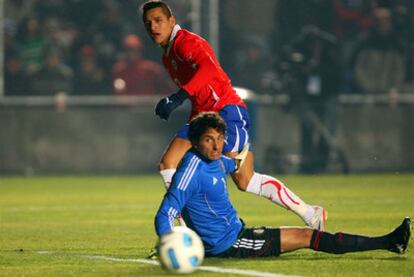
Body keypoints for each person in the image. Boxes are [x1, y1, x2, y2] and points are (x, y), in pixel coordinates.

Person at [141, 0, 327, 230]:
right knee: (168, 163)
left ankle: (309, 213)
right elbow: (200, 94)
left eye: (158, 21)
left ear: (172, 21)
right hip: (203, 118)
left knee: (244, 180)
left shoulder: (187, 43)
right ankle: (182, 231)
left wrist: (178, 96)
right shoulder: (167, 57)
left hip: (226, 112)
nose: (153, 27)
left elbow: (209, 70)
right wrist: (180, 102)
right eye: (148, 23)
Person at [155, 112, 411, 258]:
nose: (217, 145)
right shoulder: (191, 171)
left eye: (220, 139)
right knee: (308, 237)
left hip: (238, 232)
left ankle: (388, 242)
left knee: (308, 236)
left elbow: (231, 165)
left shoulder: (217, 160)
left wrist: (242, 155)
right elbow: (165, 213)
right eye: (209, 139)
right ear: (195, 142)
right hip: (230, 244)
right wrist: (170, 244)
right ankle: (387, 242)